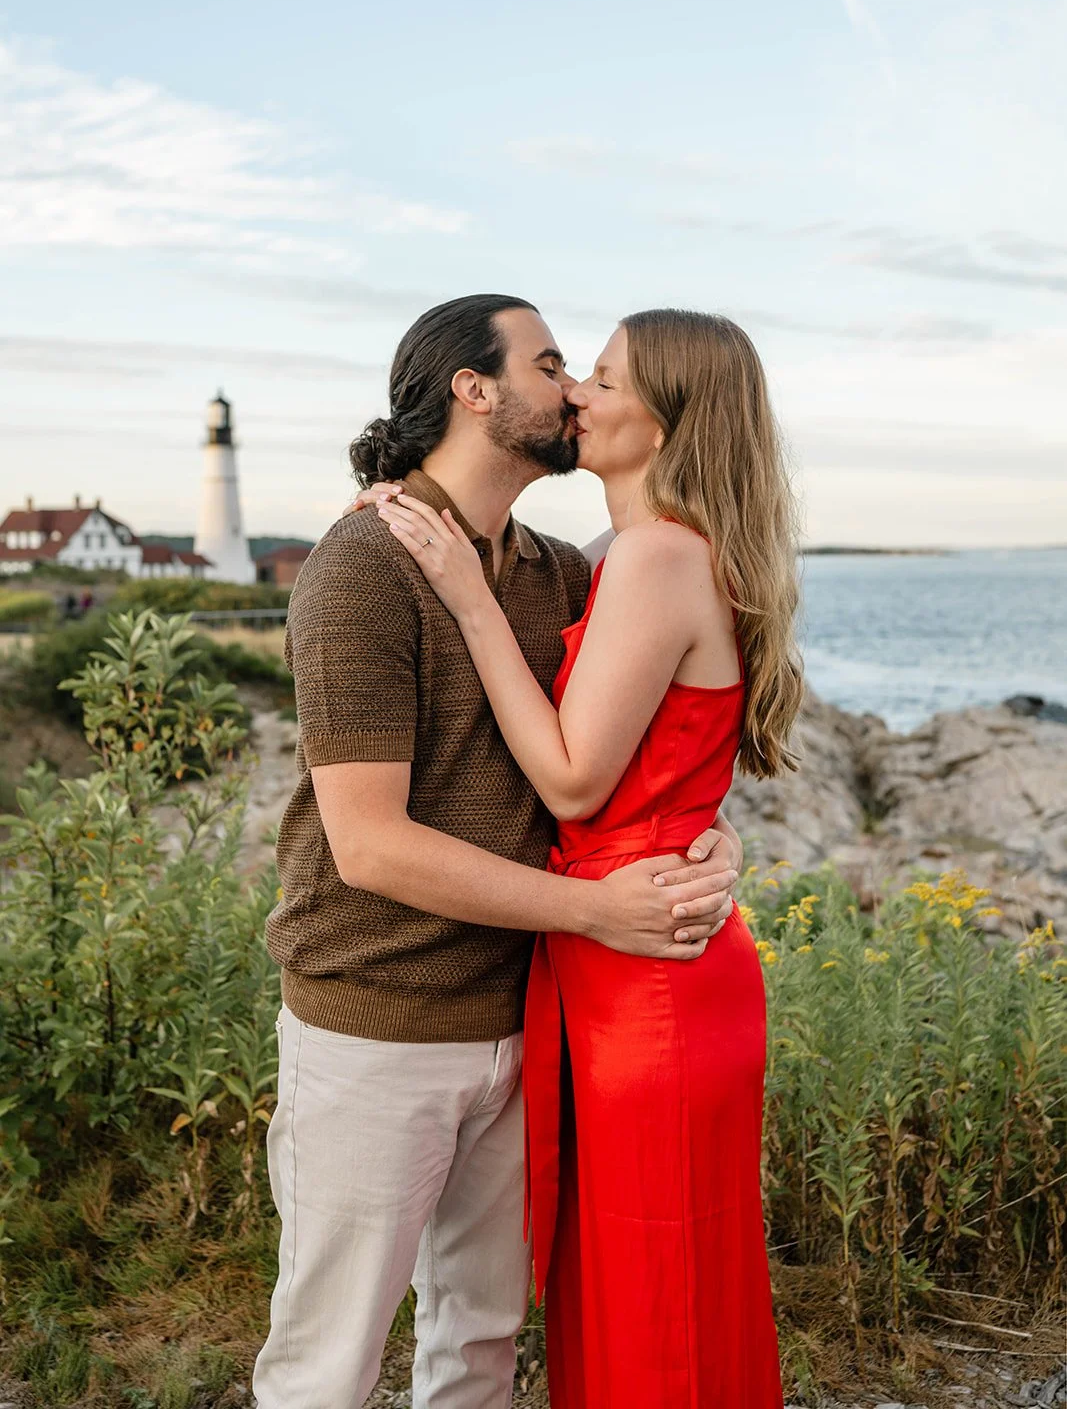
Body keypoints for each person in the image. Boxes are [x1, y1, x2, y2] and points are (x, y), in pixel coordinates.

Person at [252, 295, 744, 1409]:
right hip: (378, 1019)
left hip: (526, 1019)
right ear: (473, 391)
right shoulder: (363, 565)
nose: (571, 390)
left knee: (478, 1342)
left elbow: (645, 738)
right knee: (328, 1360)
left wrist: (703, 841)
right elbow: (370, 847)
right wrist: (596, 911)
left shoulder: (556, 571)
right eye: (551, 363)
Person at [374, 308, 802, 1408]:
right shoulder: (625, 557)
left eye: (601, 380)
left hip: (645, 966)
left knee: (655, 1291)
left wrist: (468, 599)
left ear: (665, 423)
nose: (574, 395)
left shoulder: (656, 554)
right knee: (647, 1278)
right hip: (631, 945)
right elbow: (676, 761)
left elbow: (571, 782)